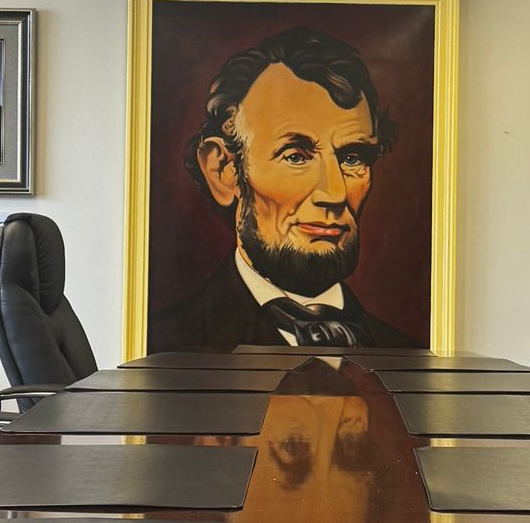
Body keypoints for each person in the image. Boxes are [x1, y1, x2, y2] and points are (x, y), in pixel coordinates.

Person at [152, 25, 420, 350]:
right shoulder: (167, 345)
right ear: (223, 171)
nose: (334, 195)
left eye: (351, 157)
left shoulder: (408, 353)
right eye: (295, 156)